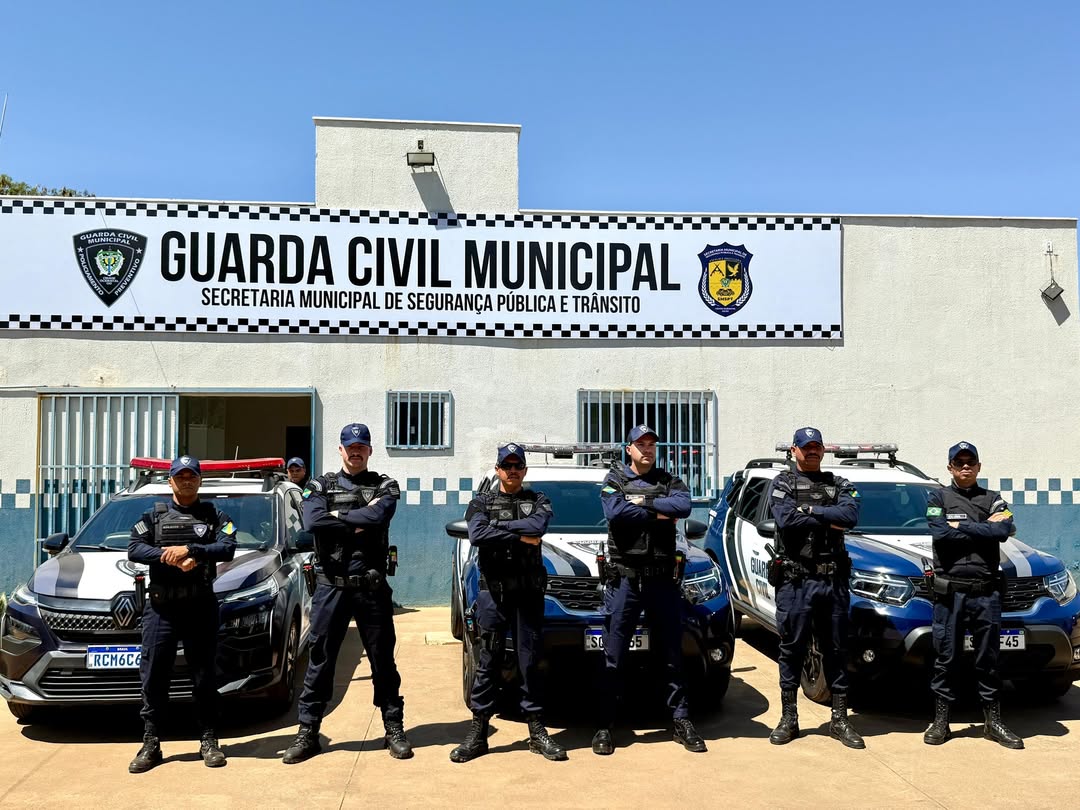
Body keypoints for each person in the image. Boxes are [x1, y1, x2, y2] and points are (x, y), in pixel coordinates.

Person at [282, 423, 412, 763]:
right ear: (340, 449)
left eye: (361, 447)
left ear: (369, 450)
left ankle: (393, 728)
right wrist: (355, 521)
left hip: (371, 588)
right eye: (350, 446)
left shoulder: (385, 485)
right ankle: (308, 732)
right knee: (320, 661)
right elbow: (313, 522)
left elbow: (379, 515)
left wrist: (337, 515)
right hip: (330, 587)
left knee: (383, 660)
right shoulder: (318, 485)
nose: (356, 451)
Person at [591, 424, 706, 755]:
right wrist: (658, 511)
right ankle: (605, 725)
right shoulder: (614, 479)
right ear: (628, 449)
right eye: (640, 444)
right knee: (614, 656)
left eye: (651, 444)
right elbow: (615, 511)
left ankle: (681, 721)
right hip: (625, 581)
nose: (647, 449)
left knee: (671, 653)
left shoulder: (669, 481)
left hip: (661, 581)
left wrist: (641, 504)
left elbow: (682, 507)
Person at [450, 443, 567, 763]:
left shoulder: (538, 500)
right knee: (488, 661)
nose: (512, 470)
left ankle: (536, 731)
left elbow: (537, 527)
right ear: (498, 469)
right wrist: (518, 535)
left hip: (528, 594)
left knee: (530, 662)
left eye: (517, 466)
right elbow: (477, 535)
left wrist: (498, 528)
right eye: (507, 466)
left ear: (524, 470)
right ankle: (478, 733)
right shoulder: (481, 502)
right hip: (494, 594)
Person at [127, 455, 238, 773]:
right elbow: (134, 548)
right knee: (154, 675)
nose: (186, 481)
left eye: (192, 476)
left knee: (204, 676)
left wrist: (193, 551)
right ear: (170, 481)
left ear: (200, 480)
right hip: (161, 608)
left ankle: (209, 739)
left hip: (200, 606)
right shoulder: (153, 516)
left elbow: (228, 546)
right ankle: (151, 742)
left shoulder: (215, 515)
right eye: (180, 476)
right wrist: (168, 555)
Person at [768, 428, 864, 749]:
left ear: (823, 450)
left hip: (832, 581)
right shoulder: (782, 483)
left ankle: (839, 720)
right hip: (796, 581)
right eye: (805, 447)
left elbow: (850, 515)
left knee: (836, 648)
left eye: (816, 447)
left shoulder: (840, 483)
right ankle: (789, 717)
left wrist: (810, 511)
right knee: (792, 648)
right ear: (794, 450)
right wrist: (828, 517)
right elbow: (786, 520)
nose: (812, 451)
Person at [923, 442, 1023, 749]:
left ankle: (993, 722)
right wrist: (982, 527)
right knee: (946, 658)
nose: (965, 466)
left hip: (985, 593)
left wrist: (960, 525)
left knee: (988, 659)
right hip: (951, 593)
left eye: (971, 462)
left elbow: (1003, 530)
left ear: (979, 466)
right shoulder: (937, 497)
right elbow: (940, 533)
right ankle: (941, 722)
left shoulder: (993, 498)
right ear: (950, 467)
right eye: (959, 462)